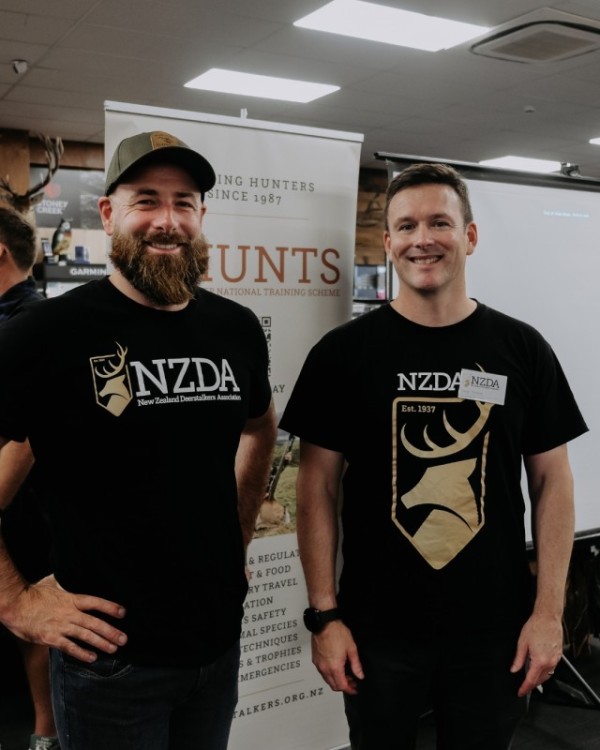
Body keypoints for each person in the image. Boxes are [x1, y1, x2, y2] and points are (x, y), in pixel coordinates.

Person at [279, 162, 588, 749]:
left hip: (495, 630)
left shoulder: (522, 348)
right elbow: (316, 486)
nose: (422, 239)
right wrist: (324, 615)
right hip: (376, 631)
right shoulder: (342, 354)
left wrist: (548, 613)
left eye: (439, 222)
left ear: (469, 236)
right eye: (407, 226)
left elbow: (553, 481)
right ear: (387, 241)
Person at [0, 131, 277, 750]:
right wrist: (14, 601)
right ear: (108, 213)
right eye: (146, 200)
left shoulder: (233, 328)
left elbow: (260, 425)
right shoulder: (47, 333)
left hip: (215, 648)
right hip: (110, 666)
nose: (167, 220)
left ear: (201, 216)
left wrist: (237, 533)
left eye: (184, 203)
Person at [0, 206, 60, 750]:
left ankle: (45, 735)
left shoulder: (33, 324)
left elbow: (34, 434)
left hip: (25, 507)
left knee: (34, 616)